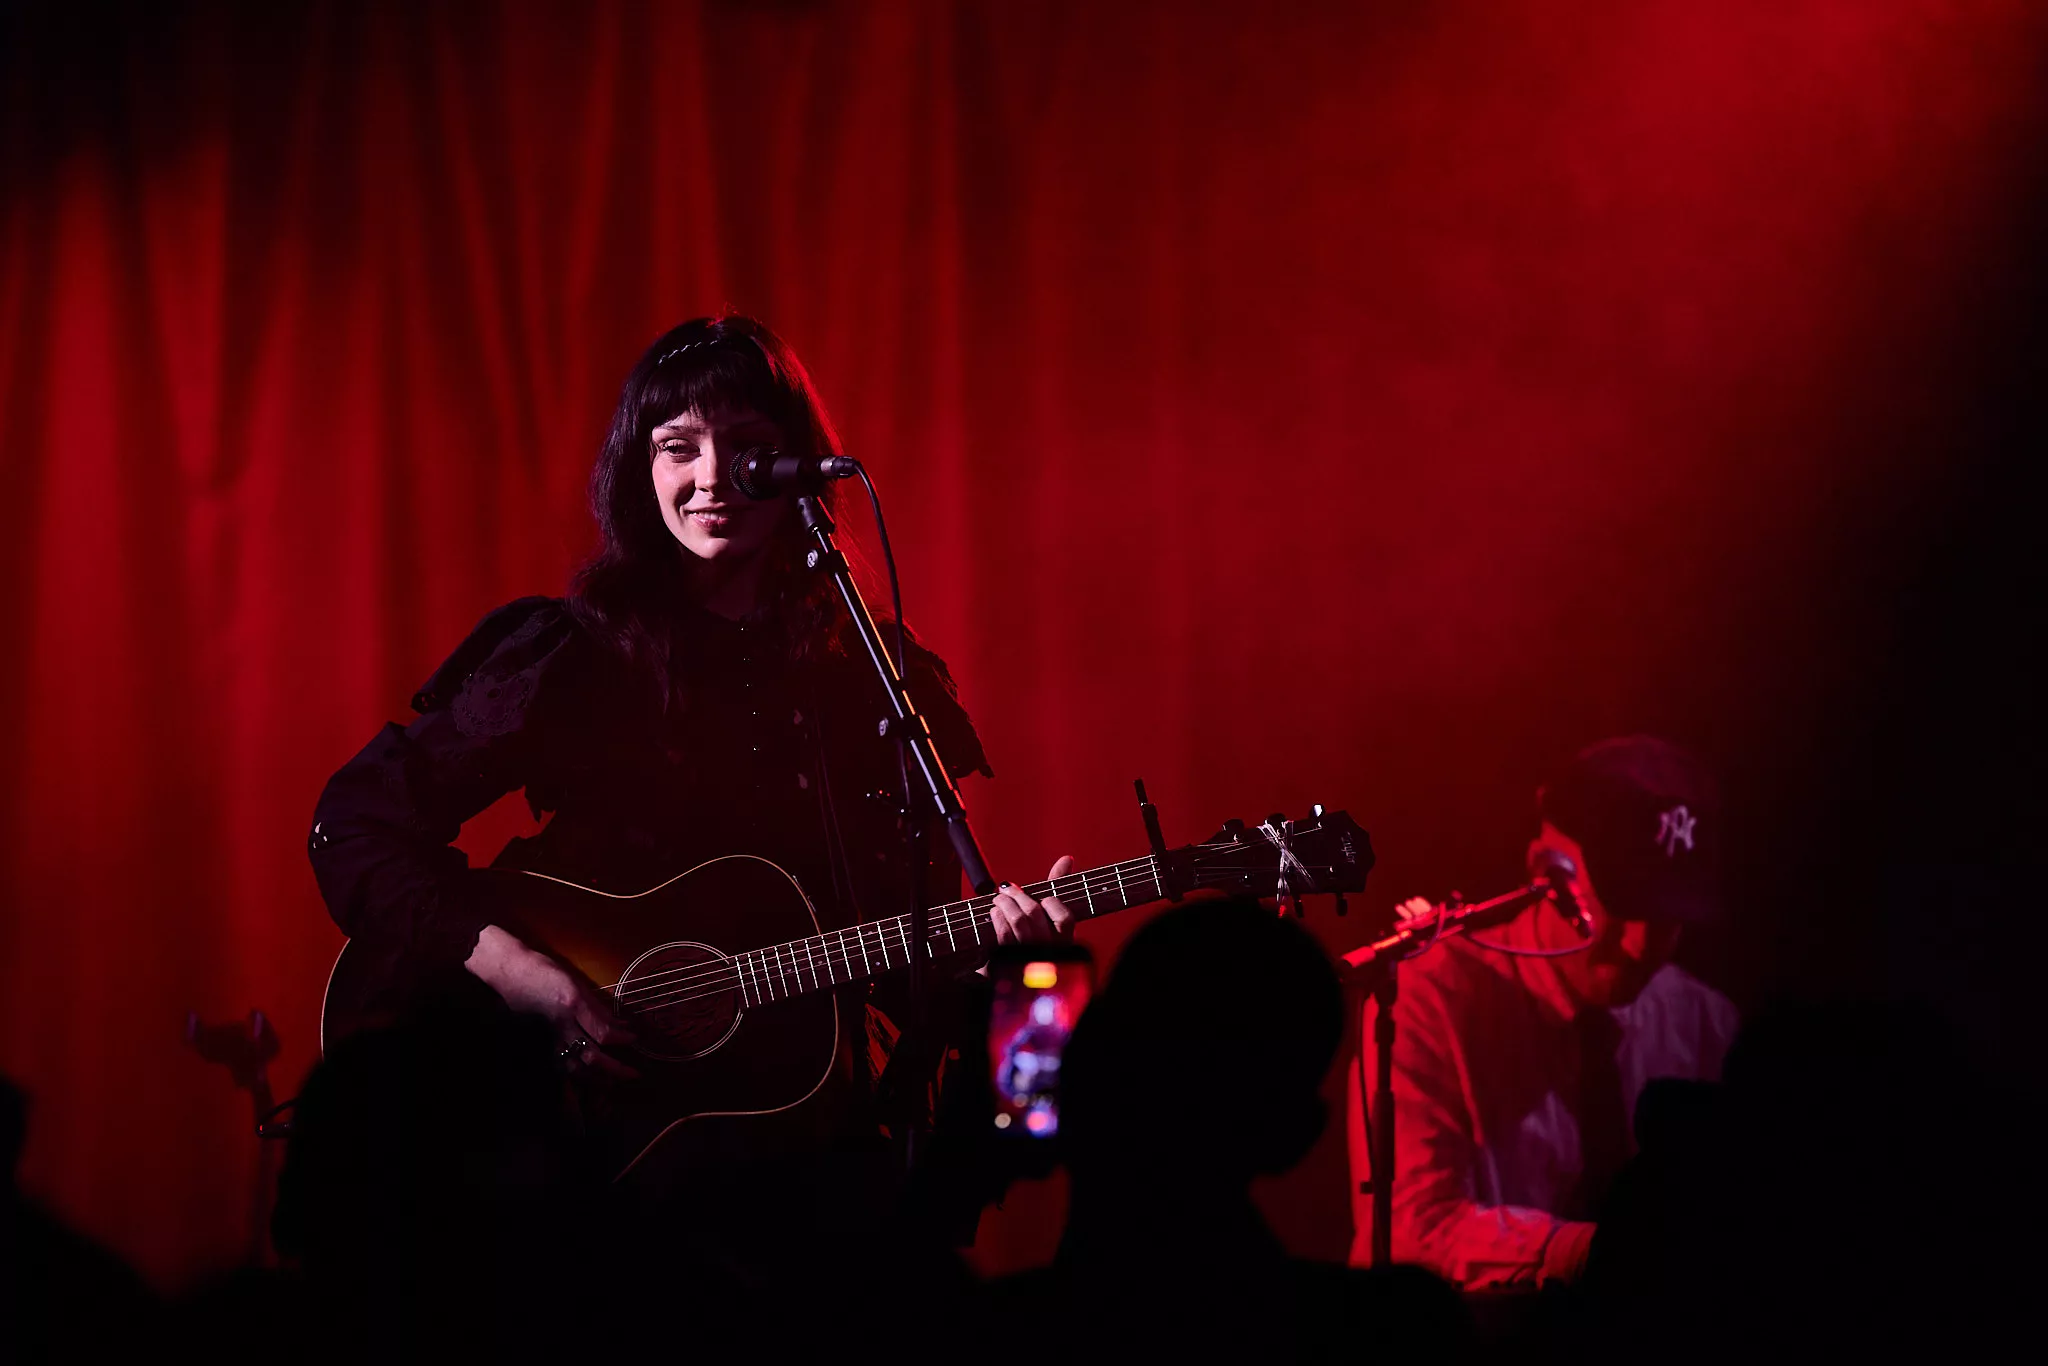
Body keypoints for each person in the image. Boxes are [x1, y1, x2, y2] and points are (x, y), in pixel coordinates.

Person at [307, 316, 1074, 1225]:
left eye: (747, 448)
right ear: (641, 468)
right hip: (594, 1209)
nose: (712, 477)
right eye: (679, 447)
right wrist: (518, 973)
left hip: (815, 1197)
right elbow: (353, 825)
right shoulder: (578, 659)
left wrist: (1036, 986)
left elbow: (1010, 1118)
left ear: (797, 466)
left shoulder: (874, 678)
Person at [986, 898, 1470, 1362]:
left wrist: (1012, 1012)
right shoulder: (1397, 1329)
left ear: (1085, 1064)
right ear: (1298, 1136)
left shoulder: (993, 1335)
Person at [1344, 736, 1740, 1290]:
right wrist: (1609, 1253)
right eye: (1621, 906)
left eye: (1669, 918)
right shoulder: (1428, 998)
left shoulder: (1707, 1024)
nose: (1640, 946)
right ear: (1545, 871)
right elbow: (1416, 1231)